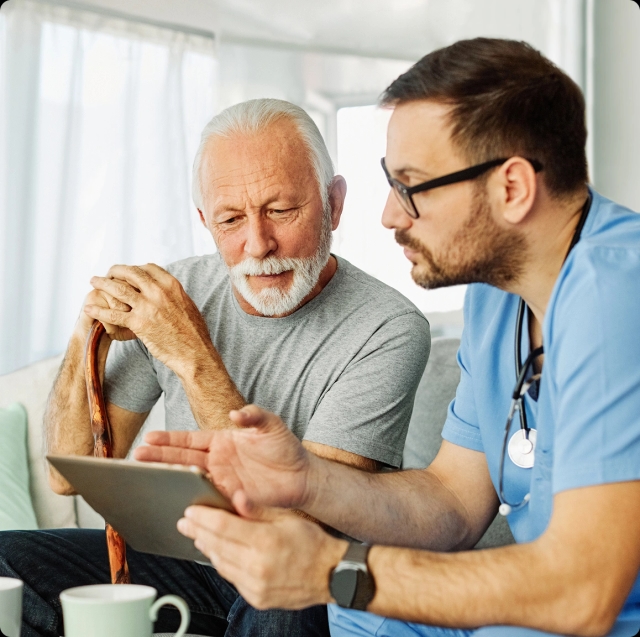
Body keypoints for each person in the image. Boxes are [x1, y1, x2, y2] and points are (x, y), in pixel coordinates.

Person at [137, 39, 640, 637]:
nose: (389, 216)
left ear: (511, 188)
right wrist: (305, 478)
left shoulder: (616, 291)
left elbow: (583, 592)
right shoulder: (496, 296)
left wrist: (328, 567)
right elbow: (453, 504)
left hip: (591, 613)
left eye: (412, 185)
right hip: (545, 605)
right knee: (353, 610)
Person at [0, 99, 430, 637]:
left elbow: (296, 525)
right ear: (206, 221)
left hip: (303, 568)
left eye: (280, 211)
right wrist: (84, 334)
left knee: (281, 595)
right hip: (189, 563)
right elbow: (66, 474)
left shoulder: (388, 327)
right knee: (4, 558)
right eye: (231, 220)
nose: (258, 244)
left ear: (334, 203)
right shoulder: (174, 292)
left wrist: (190, 354)